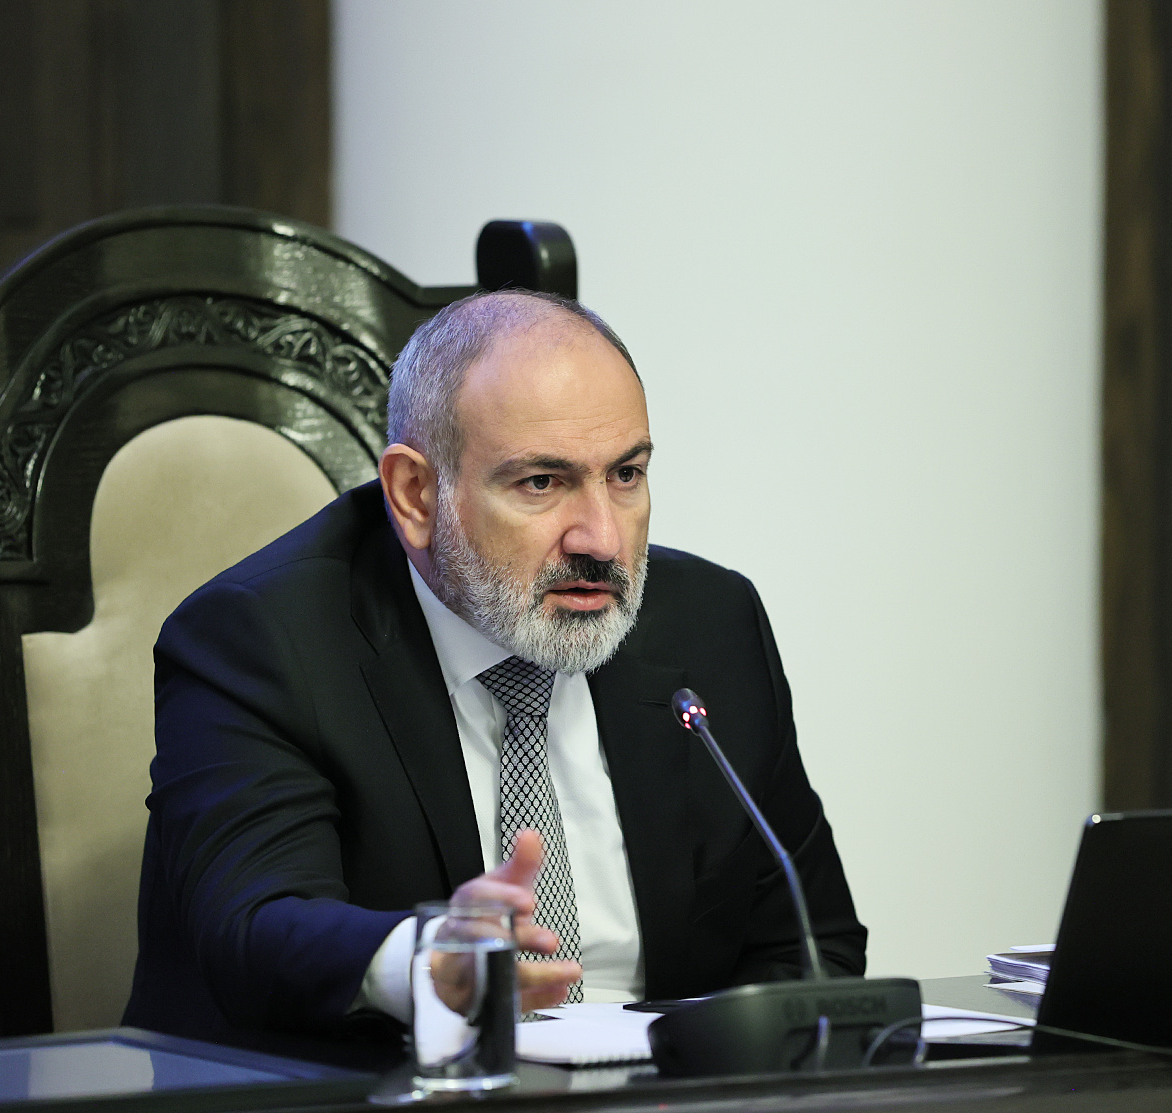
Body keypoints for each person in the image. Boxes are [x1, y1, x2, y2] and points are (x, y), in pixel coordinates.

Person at [123, 291, 866, 1047]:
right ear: (415, 494)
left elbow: (812, 946)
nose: (602, 540)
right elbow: (255, 930)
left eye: (626, 475)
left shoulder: (712, 624)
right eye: (541, 483)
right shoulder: (263, 639)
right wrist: (430, 962)